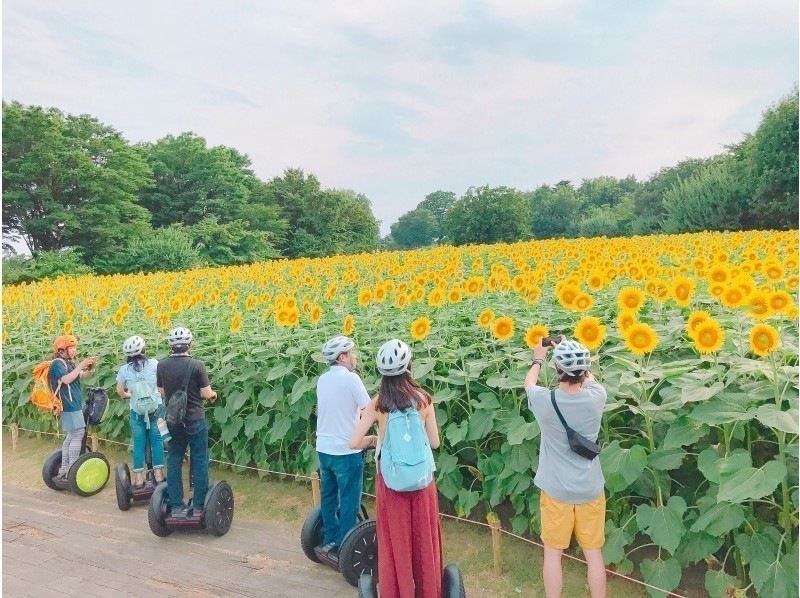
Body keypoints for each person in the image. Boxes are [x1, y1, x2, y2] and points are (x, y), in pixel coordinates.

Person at [350, 339, 442, 598]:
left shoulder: (378, 404)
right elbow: (434, 442)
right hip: (422, 484)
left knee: (396, 542)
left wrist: (375, 441)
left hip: (391, 485)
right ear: (409, 366)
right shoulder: (424, 400)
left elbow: (354, 441)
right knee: (424, 540)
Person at [523, 336, 607, 598]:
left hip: (556, 490)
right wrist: (573, 349)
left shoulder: (544, 401)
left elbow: (529, 384)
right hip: (590, 489)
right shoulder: (597, 397)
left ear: (557, 370)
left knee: (553, 554)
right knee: (593, 555)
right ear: (585, 369)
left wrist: (539, 356)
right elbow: (590, 379)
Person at [314, 335, 374, 562]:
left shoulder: (322, 380)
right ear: (342, 357)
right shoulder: (351, 379)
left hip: (324, 448)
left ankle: (330, 539)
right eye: (351, 353)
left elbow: (334, 409)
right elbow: (369, 410)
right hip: (346, 450)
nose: (355, 356)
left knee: (329, 497)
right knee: (349, 500)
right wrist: (371, 437)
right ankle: (345, 548)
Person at [157, 326, 217, 520]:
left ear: (171, 346)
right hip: (195, 418)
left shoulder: (162, 365)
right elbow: (207, 393)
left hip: (174, 420)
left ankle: (176, 506)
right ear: (190, 344)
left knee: (174, 459)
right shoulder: (197, 365)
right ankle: (199, 506)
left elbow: (162, 392)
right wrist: (213, 395)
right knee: (199, 459)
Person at [116, 335, 165, 487]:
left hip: (136, 412)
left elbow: (120, 391)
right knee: (157, 441)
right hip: (155, 408)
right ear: (143, 350)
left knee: (138, 443)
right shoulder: (154, 364)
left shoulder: (124, 370)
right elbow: (161, 388)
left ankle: (138, 477)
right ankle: (158, 474)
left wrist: (128, 395)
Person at [49, 335, 96, 481]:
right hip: (68, 404)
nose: (75, 350)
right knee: (78, 434)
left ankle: (65, 468)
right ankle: (71, 469)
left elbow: (81, 376)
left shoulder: (69, 363)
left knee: (71, 435)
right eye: (72, 347)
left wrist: (90, 369)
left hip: (73, 403)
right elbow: (66, 379)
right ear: (62, 349)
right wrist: (81, 365)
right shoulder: (57, 364)